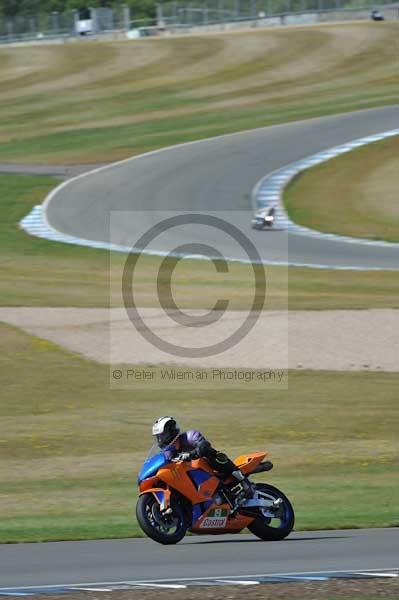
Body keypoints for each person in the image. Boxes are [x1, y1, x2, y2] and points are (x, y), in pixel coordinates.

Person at [152, 416, 253, 504]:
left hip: (208, 467)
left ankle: (244, 482)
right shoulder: (168, 452)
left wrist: (191, 454)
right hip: (192, 476)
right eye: (158, 437)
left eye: (162, 436)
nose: (160, 440)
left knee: (213, 455)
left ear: (171, 431)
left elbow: (204, 445)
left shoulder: (189, 436)